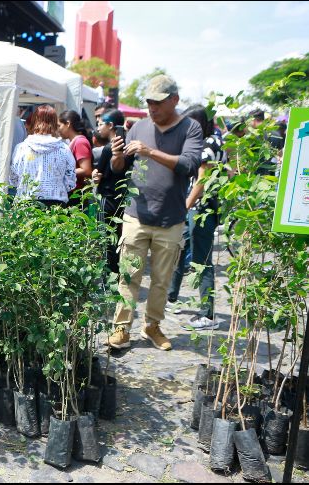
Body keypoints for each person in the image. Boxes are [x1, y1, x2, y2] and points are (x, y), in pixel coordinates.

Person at [105, 74, 203, 351]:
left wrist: (150, 151)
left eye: (158, 103)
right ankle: (121, 329)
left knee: (161, 281)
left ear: (174, 100)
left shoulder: (190, 128)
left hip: (170, 219)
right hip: (136, 215)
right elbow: (118, 169)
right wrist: (117, 156)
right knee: (128, 277)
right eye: (149, 102)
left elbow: (189, 164)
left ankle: (152, 326)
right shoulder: (138, 127)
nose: (152, 108)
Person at [166, 105, 226, 331]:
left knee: (202, 261)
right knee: (180, 252)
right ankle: (171, 299)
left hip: (201, 209)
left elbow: (201, 181)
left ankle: (207, 314)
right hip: (197, 208)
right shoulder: (208, 142)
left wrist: (184, 207)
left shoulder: (210, 143)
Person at [9, 105, 76, 208]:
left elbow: (13, 179)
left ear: (34, 121)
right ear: (54, 123)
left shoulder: (21, 148)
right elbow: (70, 182)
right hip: (56, 203)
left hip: (26, 202)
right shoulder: (64, 149)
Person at [91, 108, 130, 274]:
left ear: (111, 125)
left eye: (101, 124)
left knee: (105, 240)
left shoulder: (108, 149)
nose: (98, 128)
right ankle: (118, 274)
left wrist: (94, 176)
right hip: (123, 200)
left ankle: (108, 277)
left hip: (106, 199)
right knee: (119, 240)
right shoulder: (129, 147)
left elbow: (98, 176)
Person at [58, 110, 94, 204]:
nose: (58, 129)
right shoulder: (74, 141)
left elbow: (86, 170)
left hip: (76, 194)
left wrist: (62, 171)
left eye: (59, 126)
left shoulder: (80, 142)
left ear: (68, 124)